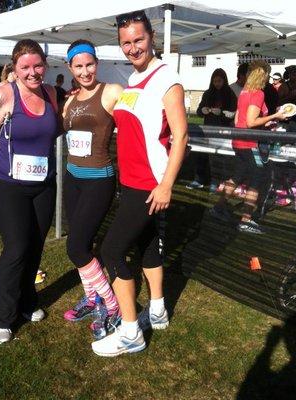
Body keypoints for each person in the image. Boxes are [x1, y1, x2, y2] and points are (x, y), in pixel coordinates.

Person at [91, 10, 188, 357]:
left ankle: (131, 332)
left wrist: (166, 186)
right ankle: (158, 311)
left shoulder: (167, 79)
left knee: (112, 251)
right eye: (126, 42)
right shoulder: (131, 80)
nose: (133, 48)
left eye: (139, 40)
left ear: (152, 38)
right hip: (130, 180)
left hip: (149, 183)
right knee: (147, 244)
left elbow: (181, 136)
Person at [0, 39, 58, 344]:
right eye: (25, 67)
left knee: (35, 245)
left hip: (43, 185)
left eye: (38, 65)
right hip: (7, 184)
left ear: (45, 66)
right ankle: (3, 317)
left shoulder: (50, 94)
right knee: (16, 247)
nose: (33, 72)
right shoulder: (4, 94)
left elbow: (56, 128)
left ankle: (27, 302)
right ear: (15, 67)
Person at [61, 39, 123, 333]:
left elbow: (137, 120)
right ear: (70, 68)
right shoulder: (70, 100)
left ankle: (112, 305)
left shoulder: (110, 91)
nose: (85, 71)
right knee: (81, 245)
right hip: (73, 178)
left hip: (99, 179)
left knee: (75, 246)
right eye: (78, 66)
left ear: (96, 63)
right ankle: (91, 299)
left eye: (89, 64)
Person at [209, 60, 286, 235]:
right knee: (257, 178)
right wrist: (275, 115)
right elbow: (251, 122)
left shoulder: (244, 92)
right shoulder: (257, 94)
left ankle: (219, 208)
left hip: (238, 141)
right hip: (249, 143)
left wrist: (266, 122)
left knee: (238, 175)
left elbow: (238, 120)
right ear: (264, 75)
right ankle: (246, 220)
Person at [188, 68, 237, 190]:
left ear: (224, 80)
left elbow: (233, 114)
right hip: (207, 129)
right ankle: (199, 179)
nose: (217, 84)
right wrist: (203, 110)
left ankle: (216, 181)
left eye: (219, 81)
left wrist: (220, 113)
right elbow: (199, 111)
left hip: (222, 130)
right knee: (202, 155)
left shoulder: (230, 94)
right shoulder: (208, 93)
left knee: (218, 156)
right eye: (215, 81)